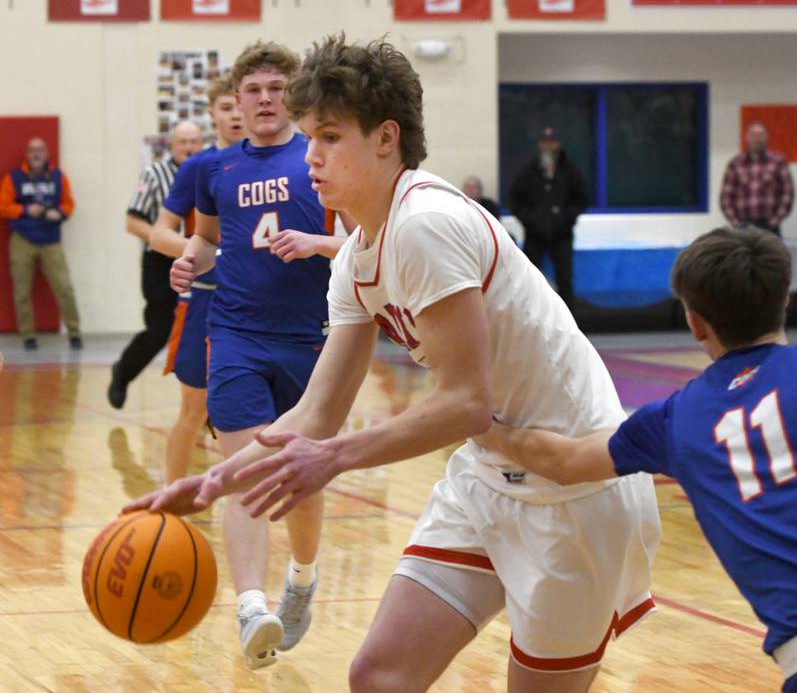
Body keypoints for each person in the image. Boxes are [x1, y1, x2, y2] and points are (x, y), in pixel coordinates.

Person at [126, 35, 659, 693]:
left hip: (573, 488)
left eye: (328, 136)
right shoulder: (355, 255)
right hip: (489, 475)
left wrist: (337, 456)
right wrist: (212, 483)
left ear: (385, 138)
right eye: (308, 135)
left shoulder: (425, 223)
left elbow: (464, 400)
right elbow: (317, 411)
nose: (310, 155)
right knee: (379, 676)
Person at [473, 227, 797, 693]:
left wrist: (481, 427)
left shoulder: (678, 419)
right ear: (785, 301)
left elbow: (565, 462)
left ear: (694, 323)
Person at [169, 41, 351, 670]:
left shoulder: (321, 158)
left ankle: (301, 577)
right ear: (238, 102)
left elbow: (362, 241)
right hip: (236, 334)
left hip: (312, 337)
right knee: (245, 469)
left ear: (292, 96)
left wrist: (319, 243)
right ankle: (250, 605)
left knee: (299, 476)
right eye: (255, 90)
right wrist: (190, 262)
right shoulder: (214, 169)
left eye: (278, 88)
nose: (267, 99)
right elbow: (209, 240)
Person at [149, 75, 245, 484]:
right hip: (205, 299)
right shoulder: (199, 166)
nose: (237, 115)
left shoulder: (286, 160)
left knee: (259, 419)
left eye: (240, 105)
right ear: (212, 115)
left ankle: (249, 505)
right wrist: (200, 251)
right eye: (226, 108)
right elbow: (159, 233)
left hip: (261, 304)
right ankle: (168, 500)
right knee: (193, 411)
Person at [108, 121, 203, 409]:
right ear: (172, 146)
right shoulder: (155, 173)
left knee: (203, 330)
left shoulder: (210, 170)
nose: (188, 147)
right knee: (160, 330)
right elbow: (132, 221)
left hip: (202, 261)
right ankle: (123, 372)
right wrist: (167, 240)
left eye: (194, 142)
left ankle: (203, 405)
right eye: (183, 142)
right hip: (161, 264)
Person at [0, 137, 82, 350]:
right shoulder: (14, 178)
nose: (36, 154)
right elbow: (3, 206)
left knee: (64, 287)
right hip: (22, 239)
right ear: (26, 154)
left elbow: (69, 204)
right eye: (32, 150)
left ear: (46, 153)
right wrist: (25, 210)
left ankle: (74, 332)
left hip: (51, 239)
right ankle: (28, 335)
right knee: (22, 289)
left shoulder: (57, 177)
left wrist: (59, 213)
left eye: (40, 150)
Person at [507, 127, 589, 312]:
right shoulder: (529, 171)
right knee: (528, 278)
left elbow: (582, 199)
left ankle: (570, 323)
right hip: (535, 234)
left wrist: (566, 217)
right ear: (539, 145)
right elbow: (514, 199)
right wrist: (530, 219)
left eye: (551, 143)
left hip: (562, 234)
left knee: (565, 280)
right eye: (544, 142)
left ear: (558, 145)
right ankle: (526, 317)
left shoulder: (569, 170)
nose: (548, 146)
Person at [720, 121, 795, 237]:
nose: (757, 139)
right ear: (747, 137)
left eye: (760, 135)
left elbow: (788, 194)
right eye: (753, 135)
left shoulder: (778, 162)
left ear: (766, 138)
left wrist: (774, 221)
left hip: (770, 227)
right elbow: (726, 197)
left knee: (771, 255)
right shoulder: (735, 163)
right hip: (743, 228)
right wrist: (736, 223)